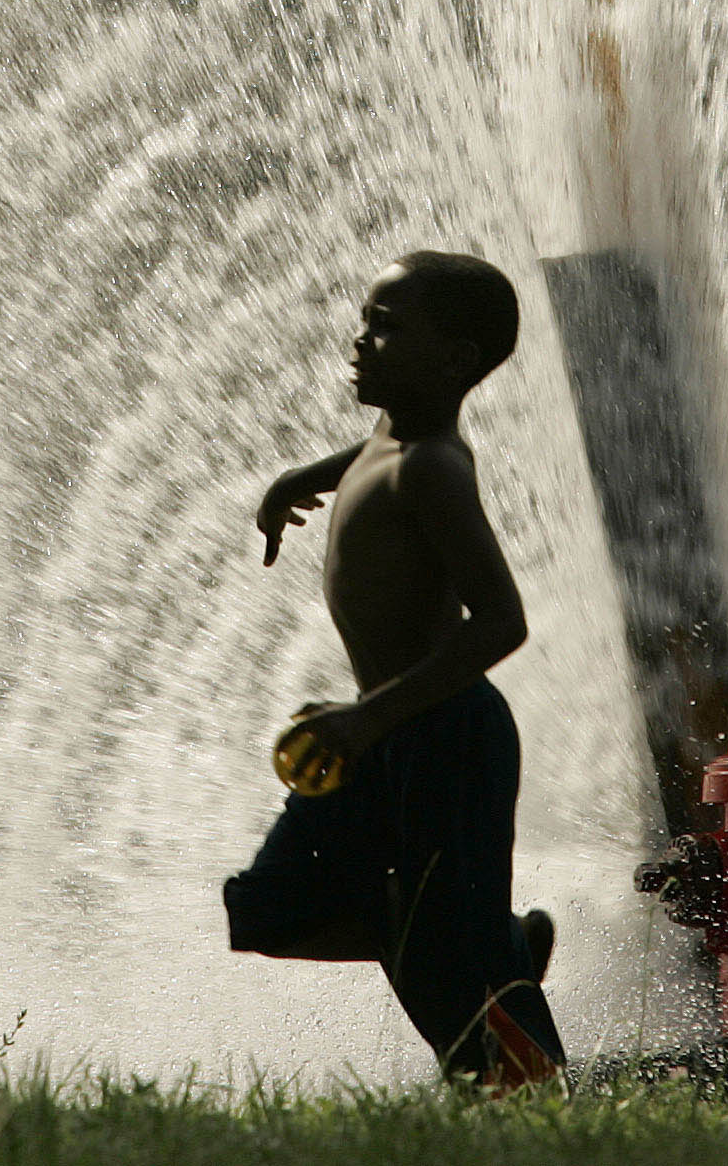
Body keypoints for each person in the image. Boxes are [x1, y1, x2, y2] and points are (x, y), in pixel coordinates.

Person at [223, 251, 566, 1090]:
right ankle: (485, 939)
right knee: (266, 909)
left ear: (453, 360)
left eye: (387, 328)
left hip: (444, 736)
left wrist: (369, 718)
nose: (360, 341)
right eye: (367, 320)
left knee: (454, 969)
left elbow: (502, 622)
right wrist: (298, 480)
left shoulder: (435, 469)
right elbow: (369, 456)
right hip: (380, 729)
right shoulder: (393, 436)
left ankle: (532, 1087)